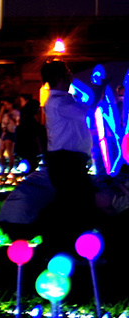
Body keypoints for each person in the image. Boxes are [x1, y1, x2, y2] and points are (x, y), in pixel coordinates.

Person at [41, 60, 95, 251]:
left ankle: (64, 248)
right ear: (59, 78)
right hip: (66, 161)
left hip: (66, 160)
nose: (71, 74)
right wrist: (98, 88)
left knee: (71, 204)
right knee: (78, 204)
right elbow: (88, 109)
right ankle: (71, 248)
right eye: (67, 72)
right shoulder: (60, 102)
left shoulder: (62, 99)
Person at [16, 94, 45, 173]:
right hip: (29, 145)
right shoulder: (30, 120)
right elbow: (35, 133)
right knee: (31, 164)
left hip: (24, 145)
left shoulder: (24, 117)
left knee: (30, 164)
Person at [0, 100, 19, 172]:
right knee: (1, 152)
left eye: (6, 105)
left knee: (9, 152)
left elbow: (17, 123)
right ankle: (2, 168)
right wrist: (1, 111)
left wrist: (11, 117)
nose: (5, 106)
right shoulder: (4, 113)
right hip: (4, 133)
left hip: (10, 133)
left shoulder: (15, 112)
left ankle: (10, 170)